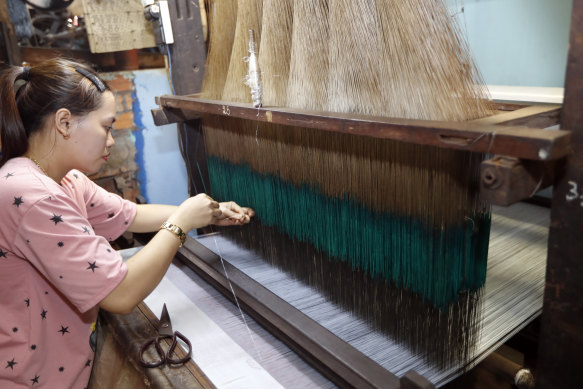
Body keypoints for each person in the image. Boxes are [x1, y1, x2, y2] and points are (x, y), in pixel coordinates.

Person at [0, 58, 254, 388]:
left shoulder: (64, 180)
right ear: (64, 122)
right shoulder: (31, 194)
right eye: (106, 127)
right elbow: (120, 294)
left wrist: (209, 211)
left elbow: (129, 215)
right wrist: (181, 223)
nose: (110, 139)